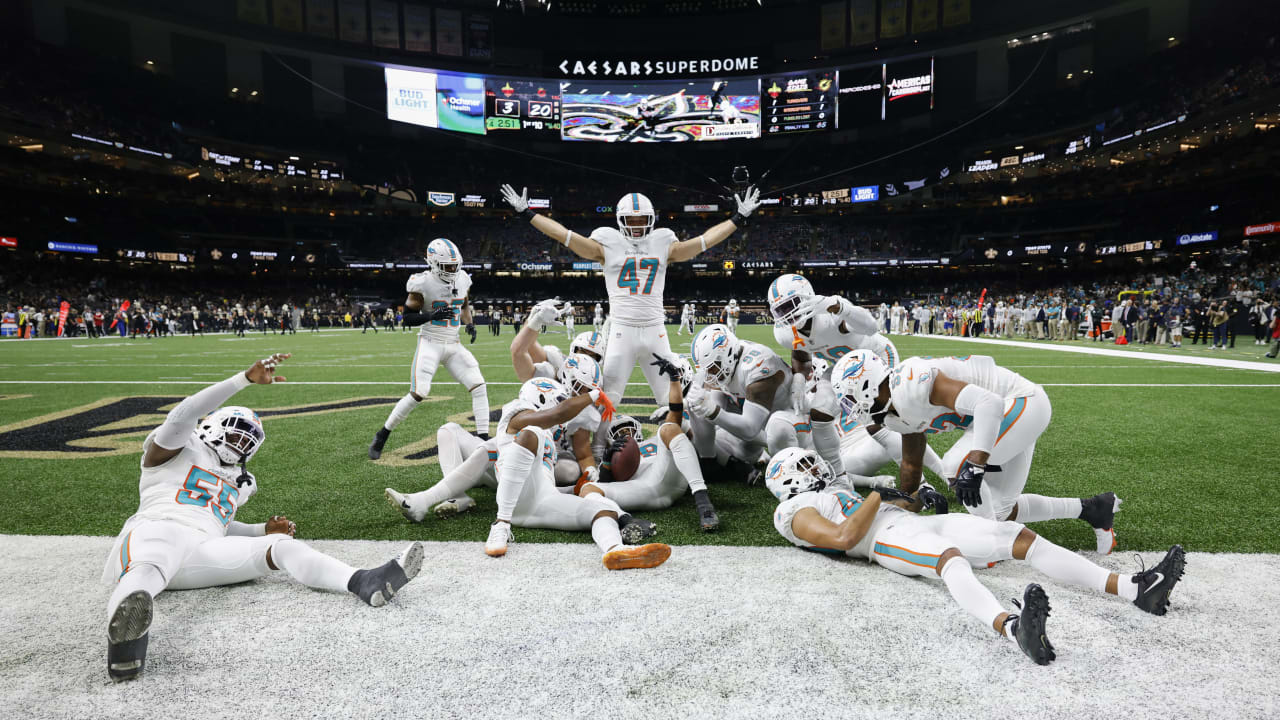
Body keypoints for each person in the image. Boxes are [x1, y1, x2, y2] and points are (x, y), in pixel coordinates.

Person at [102, 353, 424, 682]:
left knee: (280, 545)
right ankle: (127, 646)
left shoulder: (239, 482)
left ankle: (361, 581)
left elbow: (218, 526)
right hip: (155, 533)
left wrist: (262, 530)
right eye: (236, 433)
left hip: (201, 550)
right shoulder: (178, 448)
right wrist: (243, 379)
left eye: (247, 440)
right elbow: (186, 412)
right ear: (211, 426)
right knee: (156, 555)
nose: (240, 443)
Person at [766, 447, 1187, 666]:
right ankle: (1011, 628)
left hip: (904, 522)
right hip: (881, 541)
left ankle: (1131, 588)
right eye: (804, 466)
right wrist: (880, 495)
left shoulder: (831, 492)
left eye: (811, 461)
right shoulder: (790, 512)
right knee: (950, 560)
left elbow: (876, 506)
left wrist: (913, 498)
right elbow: (842, 536)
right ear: (785, 483)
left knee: (1015, 535)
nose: (814, 468)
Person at [500, 182, 761, 430]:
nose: (636, 226)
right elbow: (564, 236)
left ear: (651, 220)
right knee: (608, 399)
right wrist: (527, 213)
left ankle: (686, 448)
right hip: (622, 331)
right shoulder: (606, 244)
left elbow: (703, 242)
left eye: (641, 220)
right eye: (631, 220)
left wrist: (737, 219)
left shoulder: (663, 242)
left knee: (671, 398)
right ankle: (599, 455)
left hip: (654, 330)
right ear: (620, 221)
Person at [831, 350, 1122, 554]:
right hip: (1005, 417)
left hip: (1021, 402)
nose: (848, 408)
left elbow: (988, 404)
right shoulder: (892, 412)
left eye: (848, 398)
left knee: (956, 466)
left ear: (866, 385)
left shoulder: (910, 385)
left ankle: (991, 544)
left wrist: (977, 463)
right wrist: (900, 507)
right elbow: (910, 466)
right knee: (1002, 509)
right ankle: (1093, 509)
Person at [481, 377, 670, 569]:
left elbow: (541, 485)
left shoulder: (546, 437)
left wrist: (573, 489)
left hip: (540, 503)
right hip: (511, 504)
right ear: (541, 396)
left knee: (604, 513)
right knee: (532, 432)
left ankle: (615, 550)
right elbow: (556, 415)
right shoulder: (517, 414)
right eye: (557, 400)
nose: (560, 406)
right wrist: (595, 394)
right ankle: (500, 525)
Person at [766, 273, 893, 486]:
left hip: (877, 359)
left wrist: (839, 306)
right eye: (781, 310)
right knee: (820, 413)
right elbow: (800, 353)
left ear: (806, 296)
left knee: (892, 417)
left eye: (791, 306)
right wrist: (799, 377)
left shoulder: (829, 314)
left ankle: (922, 478)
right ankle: (838, 476)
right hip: (841, 367)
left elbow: (872, 327)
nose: (787, 315)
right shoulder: (784, 333)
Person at [369, 238, 489, 459]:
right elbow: (407, 318)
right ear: (433, 263)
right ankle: (383, 434)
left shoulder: (462, 278)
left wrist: (469, 323)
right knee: (419, 392)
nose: (453, 270)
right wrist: (431, 316)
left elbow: (463, 304)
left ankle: (483, 441)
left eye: (455, 265)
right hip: (430, 342)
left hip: (453, 344)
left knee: (479, 385)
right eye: (448, 266)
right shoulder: (422, 283)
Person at [588, 354, 719, 531]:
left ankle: (704, 504)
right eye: (620, 433)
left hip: (665, 474)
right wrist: (607, 461)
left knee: (668, 427)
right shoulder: (616, 455)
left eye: (629, 429)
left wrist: (674, 380)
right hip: (640, 488)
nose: (627, 435)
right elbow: (605, 484)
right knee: (588, 490)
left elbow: (675, 417)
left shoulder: (656, 439)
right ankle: (626, 521)